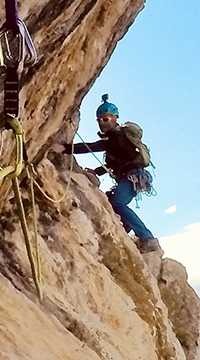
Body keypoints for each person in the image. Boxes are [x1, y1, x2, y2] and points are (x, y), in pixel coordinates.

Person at [54, 95, 161, 253]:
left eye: (106, 119)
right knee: (111, 202)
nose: (102, 123)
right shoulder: (115, 141)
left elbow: (95, 146)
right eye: (99, 120)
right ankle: (125, 231)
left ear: (115, 118)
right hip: (131, 175)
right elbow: (112, 164)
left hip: (134, 175)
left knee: (118, 203)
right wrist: (96, 171)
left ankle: (147, 238)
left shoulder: (117, 136)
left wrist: (65, 148)